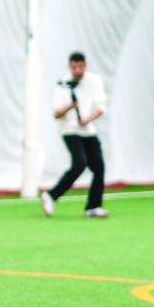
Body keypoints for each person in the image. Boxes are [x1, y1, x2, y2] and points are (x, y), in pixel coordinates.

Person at [41, 52, 108, 218]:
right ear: (69, 67)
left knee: (99, 166)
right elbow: (56, 114)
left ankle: (93, 207)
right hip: (69, 130)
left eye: (80, 66)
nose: (77, 70)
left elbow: (101, 108)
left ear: (85, 65)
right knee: (79, 164)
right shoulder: (62, 84)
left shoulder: (94, 80)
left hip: (88, 130)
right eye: (73, 67)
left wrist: (87, 120)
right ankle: (51, 196)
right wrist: (71, 106)